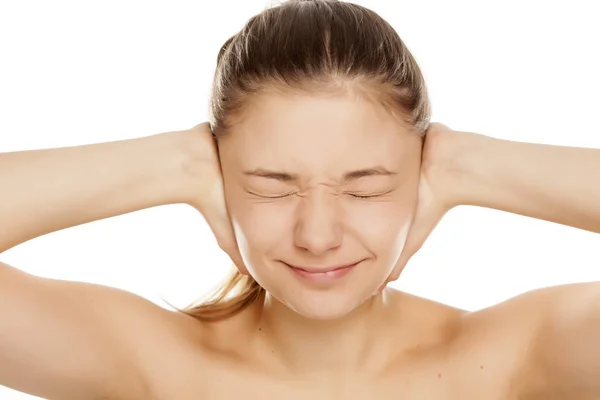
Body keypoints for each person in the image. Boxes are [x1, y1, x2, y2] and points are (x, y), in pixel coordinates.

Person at [1, 0, 599, 398]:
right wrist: (170, 163)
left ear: (421, 177)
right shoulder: (154, 365)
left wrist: (476, 165)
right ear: (217, 178)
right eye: (271, 185)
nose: (318, 235)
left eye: (367, 186)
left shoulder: (511, 358)